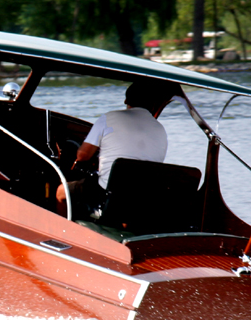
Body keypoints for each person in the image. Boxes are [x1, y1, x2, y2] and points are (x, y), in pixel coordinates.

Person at [56, 79, 179, 218]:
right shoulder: (160, 129)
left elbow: (82, 156)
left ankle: (66, 233)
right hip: (144, 193)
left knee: (61, 192)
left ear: (126, 100)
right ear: (152, 104)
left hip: (109, 190)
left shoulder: (108, 118)